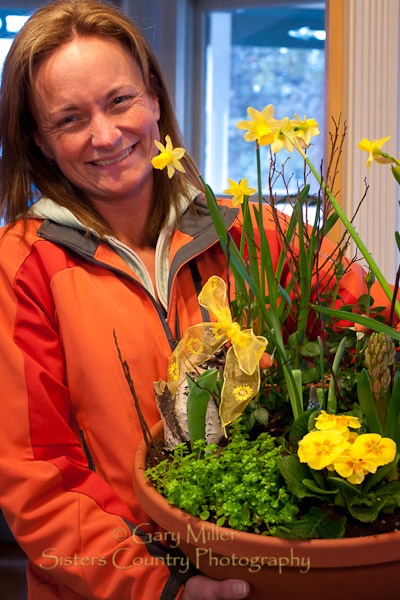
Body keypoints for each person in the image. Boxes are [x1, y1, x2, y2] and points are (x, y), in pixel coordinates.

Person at [0, 1, 388, 599]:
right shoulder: (22, 268)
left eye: (120, 100)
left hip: (272, 571)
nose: (106, 135)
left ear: (155, 99)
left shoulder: (253, 235)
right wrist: (164, 586)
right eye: (70, 119)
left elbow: (377, 318)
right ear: (40, 140)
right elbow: (39, 482)